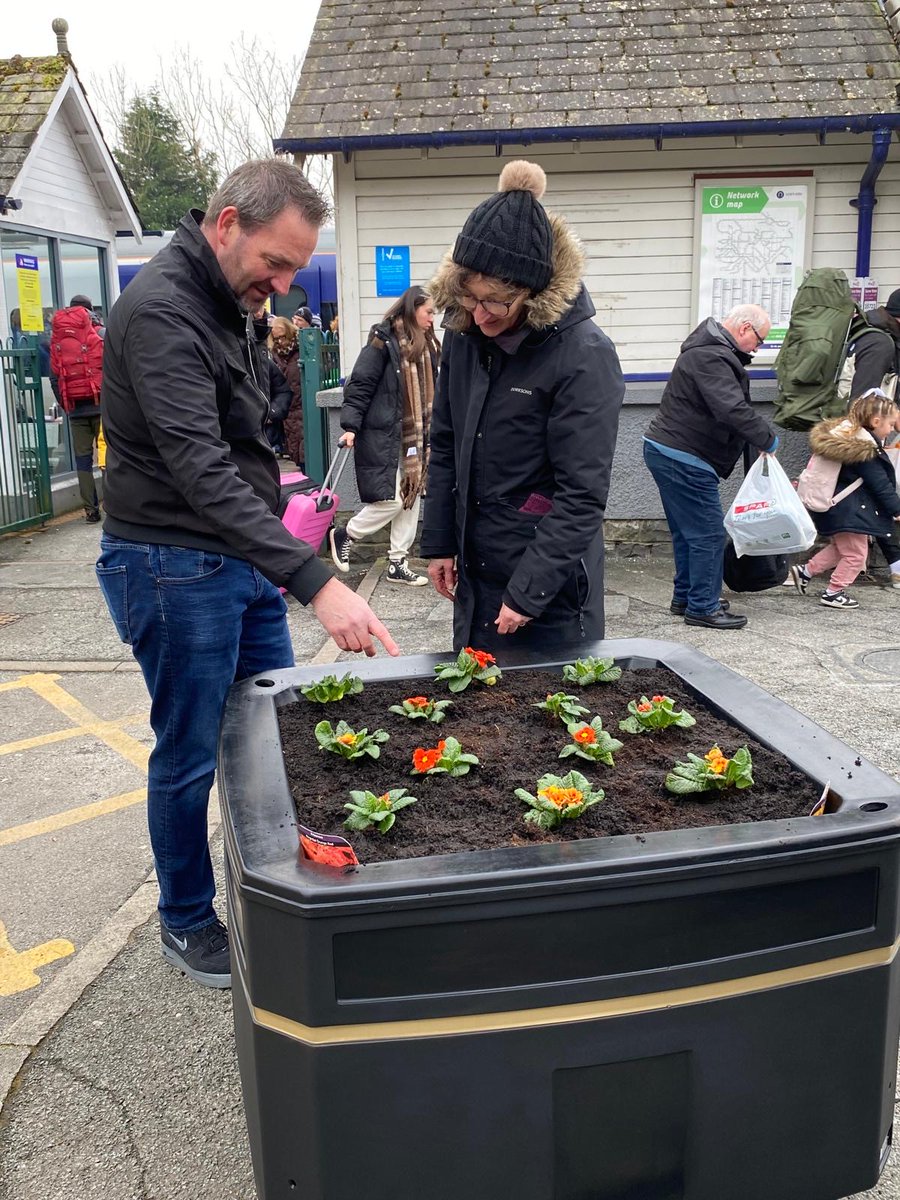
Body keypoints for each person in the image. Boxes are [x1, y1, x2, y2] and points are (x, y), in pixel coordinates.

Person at [96, 159, 398, 990]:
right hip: (171, 565)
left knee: (269, 733)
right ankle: (186, 919)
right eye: (278, 261)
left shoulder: (228, 300)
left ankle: (276, 895)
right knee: (190, 754)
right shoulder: (161, 311)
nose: (288, 282)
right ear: (226, 222)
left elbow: (239, 439)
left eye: (298, 267)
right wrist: (316, 580)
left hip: (235, 556)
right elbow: (199, 467)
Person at [421, 160, 624, 653]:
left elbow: (581, 493)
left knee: (550, 722)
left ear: (532, 294)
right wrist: (440, 541)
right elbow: (445, 443)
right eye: (470, 298)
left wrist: (529, 591)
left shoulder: (584, 356)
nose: (481, 314)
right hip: (476, 566)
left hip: (547, 587)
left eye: (496, 302)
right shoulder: (467, 335)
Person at [643, 303, 779, 631]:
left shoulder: (708, 351)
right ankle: (703, 606)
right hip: (684, 455)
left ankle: (687, 597)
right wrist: (767, 438)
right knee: (707, 533)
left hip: (671, 449)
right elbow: (731, 408)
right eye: (759, 341)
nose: (757, 350)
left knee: (686, 531)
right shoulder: (711, 356)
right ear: (745, 328)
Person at [329, 286, 440, 586]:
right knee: (392, 500)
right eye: (429, 311)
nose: (433, 317)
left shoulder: (429, 344)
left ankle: (397, 561)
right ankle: (346, 533)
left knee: (411, 495)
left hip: (418, 436)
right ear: (412, 308)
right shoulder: (384, 341)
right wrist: (350, 426)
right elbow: (361, 384)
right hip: (387, 433)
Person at [788, 389, 900, 609]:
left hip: (836, 508)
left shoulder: (845, 439)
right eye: (890, 424)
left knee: (841, 550)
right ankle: (833, 591)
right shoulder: (864, 451)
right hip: (850, 511)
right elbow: (881, 486)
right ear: (876, 422)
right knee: (857, 556)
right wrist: (897, 509)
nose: (891, 430)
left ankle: (805, 571)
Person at [847, 291, 900, 583]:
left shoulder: (869, 331)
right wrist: (887, 423)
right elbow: (862, 400)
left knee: (859, 500)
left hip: (858, 430)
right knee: (880, 492)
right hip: (859, 434)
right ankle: (895, 565)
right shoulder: (881, 342)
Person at [50, 294, 105, 522]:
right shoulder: (100, 333)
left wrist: (67, 404)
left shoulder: (58, 340)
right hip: (103, 406)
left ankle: (91, 511)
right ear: (90, 310)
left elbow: (55, 378)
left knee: (82, 460)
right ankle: (114, 507)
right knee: (107, 455)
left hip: (76, 411)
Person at [270, 316, 303, 467]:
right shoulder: (273, 355)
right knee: (294, 453)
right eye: (276, 339)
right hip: (287, 413)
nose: (280, 342)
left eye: (282, 337)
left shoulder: (301, 350)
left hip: (302, 408)